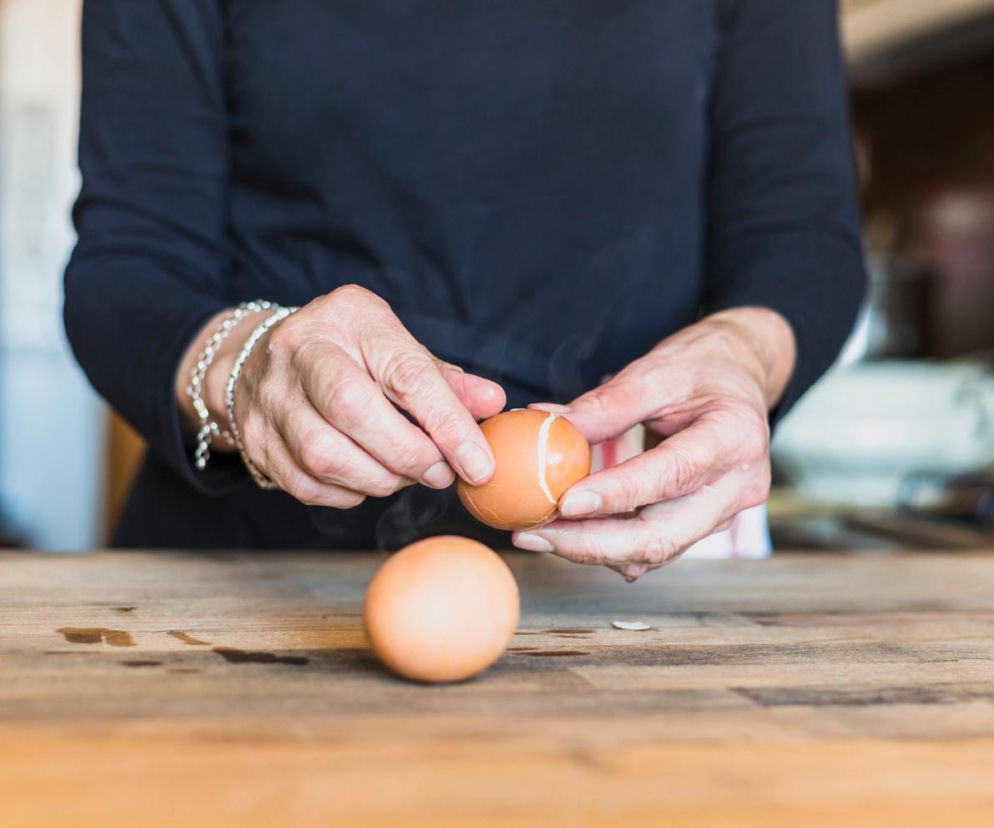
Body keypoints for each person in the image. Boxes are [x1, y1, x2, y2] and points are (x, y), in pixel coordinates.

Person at [64, 1, 865, 579]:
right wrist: (248, 365)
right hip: (249, 579)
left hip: (642, 577)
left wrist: (744, 354)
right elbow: (128, 265)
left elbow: (802, 241)